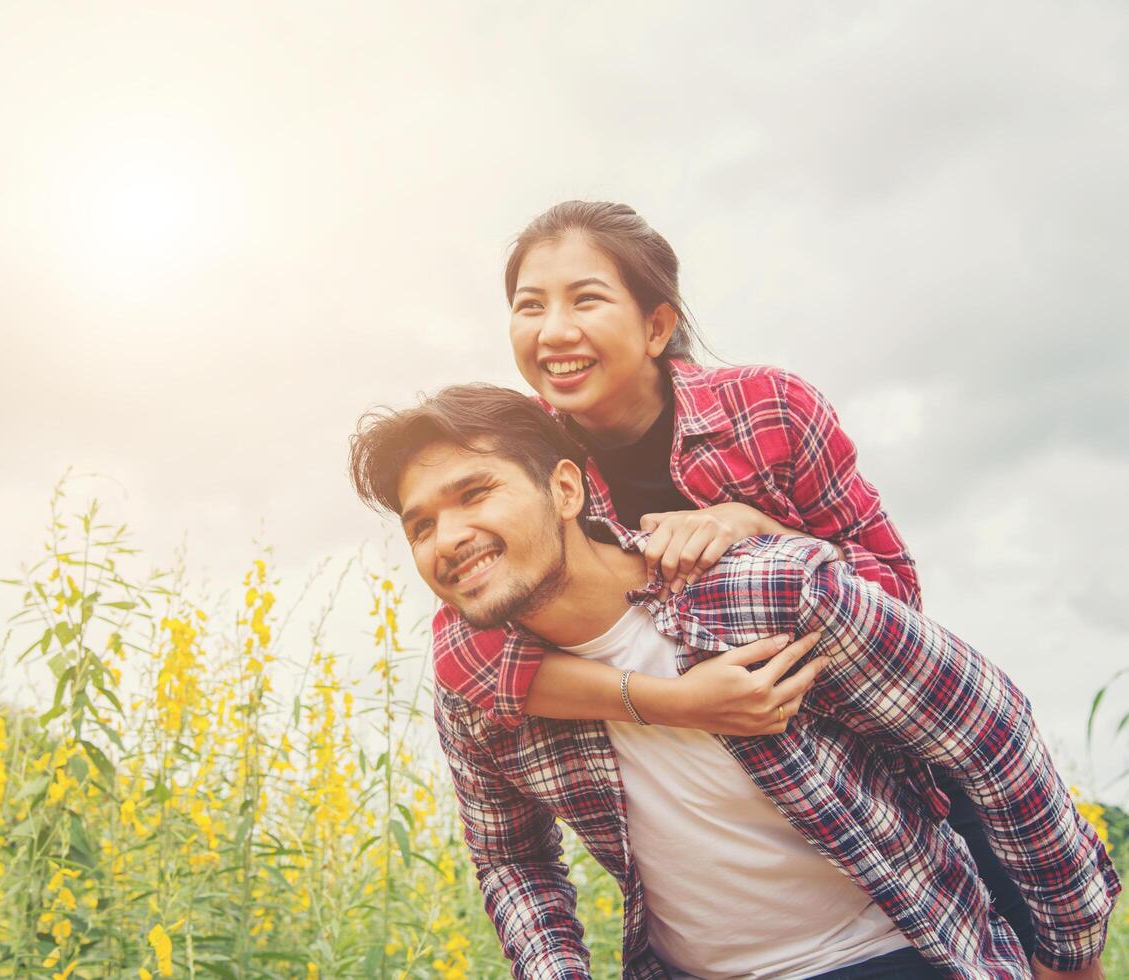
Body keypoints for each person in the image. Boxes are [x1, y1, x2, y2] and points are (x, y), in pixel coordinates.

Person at [347, 384, 1120, 978]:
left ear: (565, 489)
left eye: (474, 493)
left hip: (894, 952)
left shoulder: (768, 592)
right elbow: (512, 861)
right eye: (419, 524)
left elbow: (990, 733)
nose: (447, 537)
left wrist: (1069, 949)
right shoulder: (478, 694)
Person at [432, 200, 1034, 952]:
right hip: (721, 842)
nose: (552, 331)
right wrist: (677, 704)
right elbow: (465, 656)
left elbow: (896, 595)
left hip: (893, 793)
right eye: (529, 307)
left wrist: (755, 526)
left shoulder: (770, 410)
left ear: (655, 325)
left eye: (584, 299)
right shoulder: (524, 454)